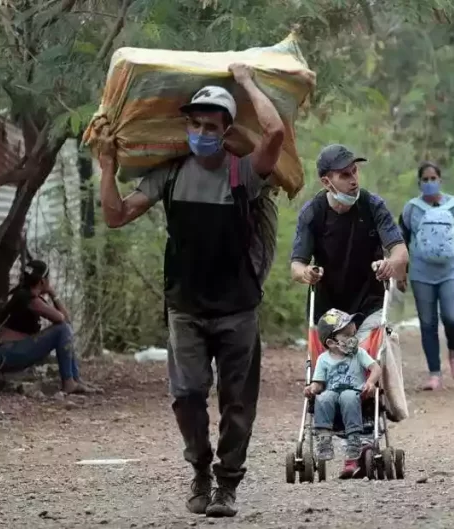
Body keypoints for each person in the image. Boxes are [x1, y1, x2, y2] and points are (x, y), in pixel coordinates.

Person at [97, 64, 284, 518]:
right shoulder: (171, 175)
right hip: (185, 305)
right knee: (187, 396)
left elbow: (275, 132)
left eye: (211, 126)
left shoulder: (243, 174)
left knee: (238, 402)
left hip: (237, 307)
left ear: (225, 131)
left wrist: (247, 82)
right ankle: (200, 469)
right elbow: (117, 215)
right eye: (196, 124)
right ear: (187, 127)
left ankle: (227, 484)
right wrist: (107, 167)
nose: (202, 132)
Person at [290, 144, 408, 342]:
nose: (353, 180)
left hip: (371, 304)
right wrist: (307, 273)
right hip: (329, 313)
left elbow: (400, 252)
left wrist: (390, 264)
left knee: (377, 355)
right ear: (327, 182)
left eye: (354, 171)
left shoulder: (373, 206)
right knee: (333, 366)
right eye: (344, 175)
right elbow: (296, 267)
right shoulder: (313, 213)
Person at [398, 162, 454, 391]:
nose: (430, 183)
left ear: (440, 181)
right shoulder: (411, 209)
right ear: (419, 183)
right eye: (425, 179)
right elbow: (400, 241)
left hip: (450, 271)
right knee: (427, 323)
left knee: (452, 317)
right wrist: (400, 272)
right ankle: (434, 373)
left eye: (434, 178)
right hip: (422, 274)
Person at [0, 260, 95, 394]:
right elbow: (63, 319)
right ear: (42, 282)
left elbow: (66, 321)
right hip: (7, 353)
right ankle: (69, 382)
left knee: (64, 329)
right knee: (62, 329)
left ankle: (75, 379)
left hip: (11, 351)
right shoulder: (27, 298)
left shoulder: (26, 295)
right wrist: (52, 293)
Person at [304, 308, 382, 479]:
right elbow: (319, 383)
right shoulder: (324, 359)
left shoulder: (358, 353)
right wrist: (312, 389)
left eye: (353, 334)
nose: (353, 339)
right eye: (347, 336)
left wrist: (370, 382)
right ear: (332, 343)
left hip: (355, 394)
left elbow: (375, 368)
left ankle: (354, 439)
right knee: (323, 397)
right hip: (331, 394)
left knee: (347, 395)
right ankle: (324, 438)